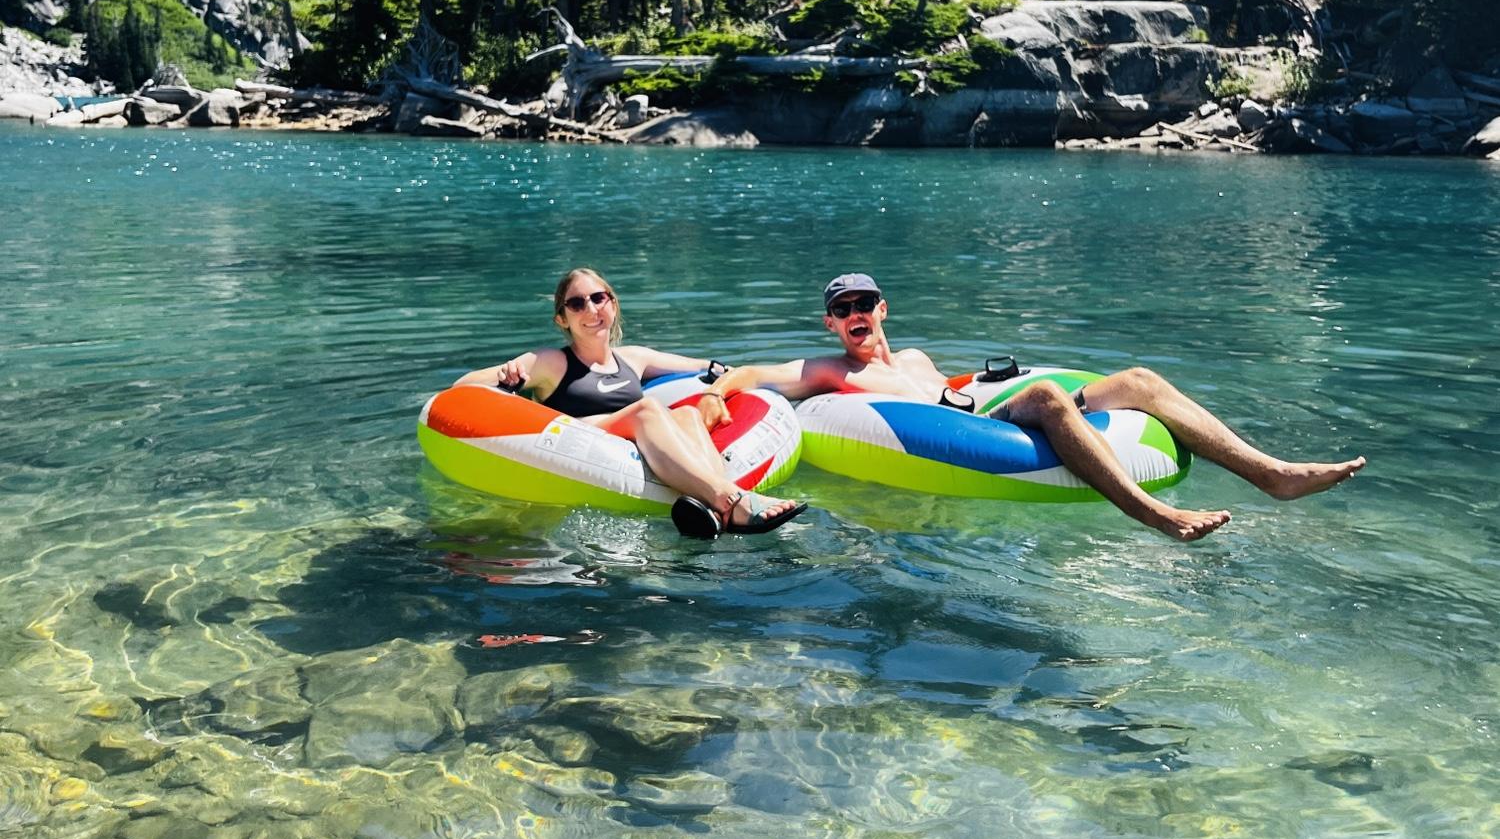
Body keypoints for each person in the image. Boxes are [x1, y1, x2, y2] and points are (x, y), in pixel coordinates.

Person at [707, 273, 1366, 543]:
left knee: (1137, 378)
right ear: (830, 324)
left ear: (883, 309)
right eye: (841, 310)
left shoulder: (912, 358)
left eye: (863, 305)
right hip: (961, 433)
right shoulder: (828, 370)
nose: (855, 316)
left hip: (976, 416)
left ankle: (1272, 474)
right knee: (1049, 397)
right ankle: (1156, 515)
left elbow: (961, 393)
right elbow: (756, 375)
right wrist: (714, 392)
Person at [457, 268, 806, 538]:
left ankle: (713, 512)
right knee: (648, 409)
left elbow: (700, 366)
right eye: (577, 303)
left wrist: (720, 376)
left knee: (685, 412)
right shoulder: (551, 361)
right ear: (562, 319)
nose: (591, 309)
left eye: (599, 298)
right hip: (581, 438)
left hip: (629, 444)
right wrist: (508, 373)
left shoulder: (633, 359)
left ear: (613, 303)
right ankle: (732, 500)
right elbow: (463, 387)